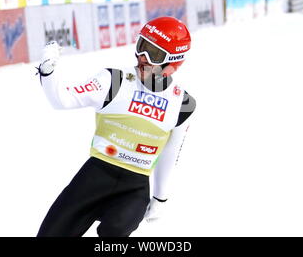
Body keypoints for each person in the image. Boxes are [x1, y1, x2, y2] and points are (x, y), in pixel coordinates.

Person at [36, 16, 196, 237]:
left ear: (174, 62)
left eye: (154, 53)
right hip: (94, 176)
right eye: (142, 46)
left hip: (134, 189)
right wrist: (48, 72)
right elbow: (62, 100)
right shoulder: (115, 80)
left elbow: (171, 150)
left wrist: (160, 196)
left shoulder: (183, 103)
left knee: (114, 232)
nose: (143, 58)